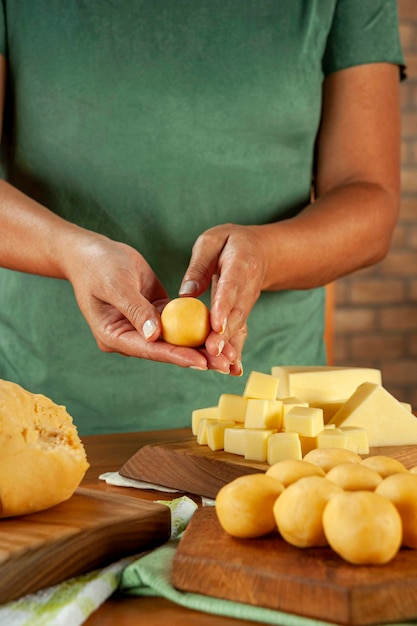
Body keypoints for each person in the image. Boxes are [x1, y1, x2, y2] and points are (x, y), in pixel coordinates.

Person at [0, 1, 405, 435]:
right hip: (45, 408)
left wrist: (266, 254)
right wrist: (71, 253)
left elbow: (370, 199)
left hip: (273, 417)